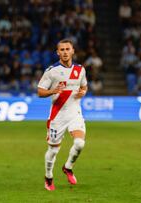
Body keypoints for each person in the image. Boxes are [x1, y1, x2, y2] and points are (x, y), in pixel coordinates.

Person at [37, 39, 88, 191]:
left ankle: (68, 167)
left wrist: (83, 92)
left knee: (79, 143)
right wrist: (53, 91)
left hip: (75, 113)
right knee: (53, 151)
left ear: (73, 51)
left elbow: (84, 86)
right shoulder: (51, 71)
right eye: (62, 50)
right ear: (58, 52)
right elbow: (40, 91)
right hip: (57, 116)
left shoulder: (80, 70)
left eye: (68, 49)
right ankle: (48, 176)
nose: (65, 52)